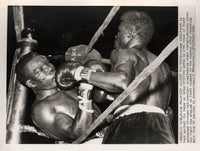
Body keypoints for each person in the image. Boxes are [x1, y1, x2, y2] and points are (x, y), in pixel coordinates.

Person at [63, 10, 175, 143]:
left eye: (119, 31)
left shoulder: (124, 52)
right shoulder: (164, 66)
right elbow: (139, 96)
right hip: (163, 128)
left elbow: (121, 81)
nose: (116, 36)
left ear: (131, 32)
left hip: (130, 125)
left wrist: (79, 72)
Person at [15, 52, 103, 143]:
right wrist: (85, 90)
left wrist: (95, 76)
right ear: (32, 83)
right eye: (39, 71)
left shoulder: (66, 84)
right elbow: (77, 134)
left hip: (109, 131)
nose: (49, 68)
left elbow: (99, 102)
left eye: (47, 63)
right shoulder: (42, 109)